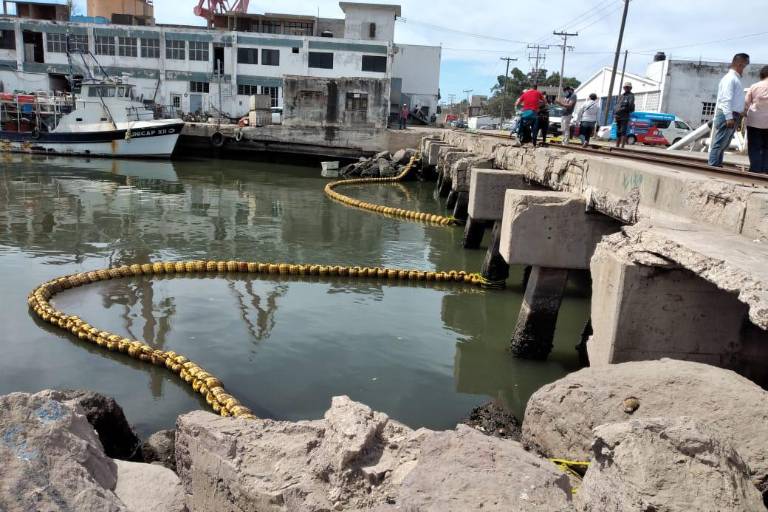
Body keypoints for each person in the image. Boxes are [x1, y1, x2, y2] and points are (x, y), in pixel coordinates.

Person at [709, 53, 750, 167]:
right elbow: (726, 99)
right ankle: (713, 166)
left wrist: (740, 111)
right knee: (720, 143)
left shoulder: (734, 79)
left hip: (732, 114)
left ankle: (717, 165)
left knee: (723, 144)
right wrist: (728, 117)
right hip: (728, 115)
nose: (745, 68)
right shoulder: (730, 79)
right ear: (740, 64)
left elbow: (733, 100)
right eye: (745, 65)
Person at [745, 66, 768, 173]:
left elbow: (746, 103)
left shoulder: (754, 86)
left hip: (754, 121)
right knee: (766, 147)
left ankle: (755, 169)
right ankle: (765, 169)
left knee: (754, 146)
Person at [614, 82, 636, 148]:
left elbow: (630, 106)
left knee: (623, 131)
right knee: (618, 131)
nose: (626, 88)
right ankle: (617, 146)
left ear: (630, 88)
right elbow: (617, 105)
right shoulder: (622, 95)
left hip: (624, 116)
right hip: (618, 115)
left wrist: (622, 109)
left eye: (627, 87)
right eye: (625, 87)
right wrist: (616, 113)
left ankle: (622, 146)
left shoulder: (631, 96)